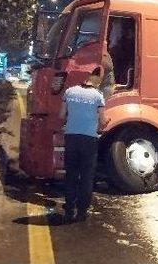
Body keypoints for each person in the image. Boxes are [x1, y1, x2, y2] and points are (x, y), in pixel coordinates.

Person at [59, 70, 106, 222]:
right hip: (89, 140)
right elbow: (103, 121)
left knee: (71, 174)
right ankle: (82, 211)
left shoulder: (69, 92)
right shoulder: (98, 96)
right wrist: (106, 121)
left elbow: (61, 115)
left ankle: (69, 208)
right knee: (86, 176)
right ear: (96, 81)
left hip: (71, 137)